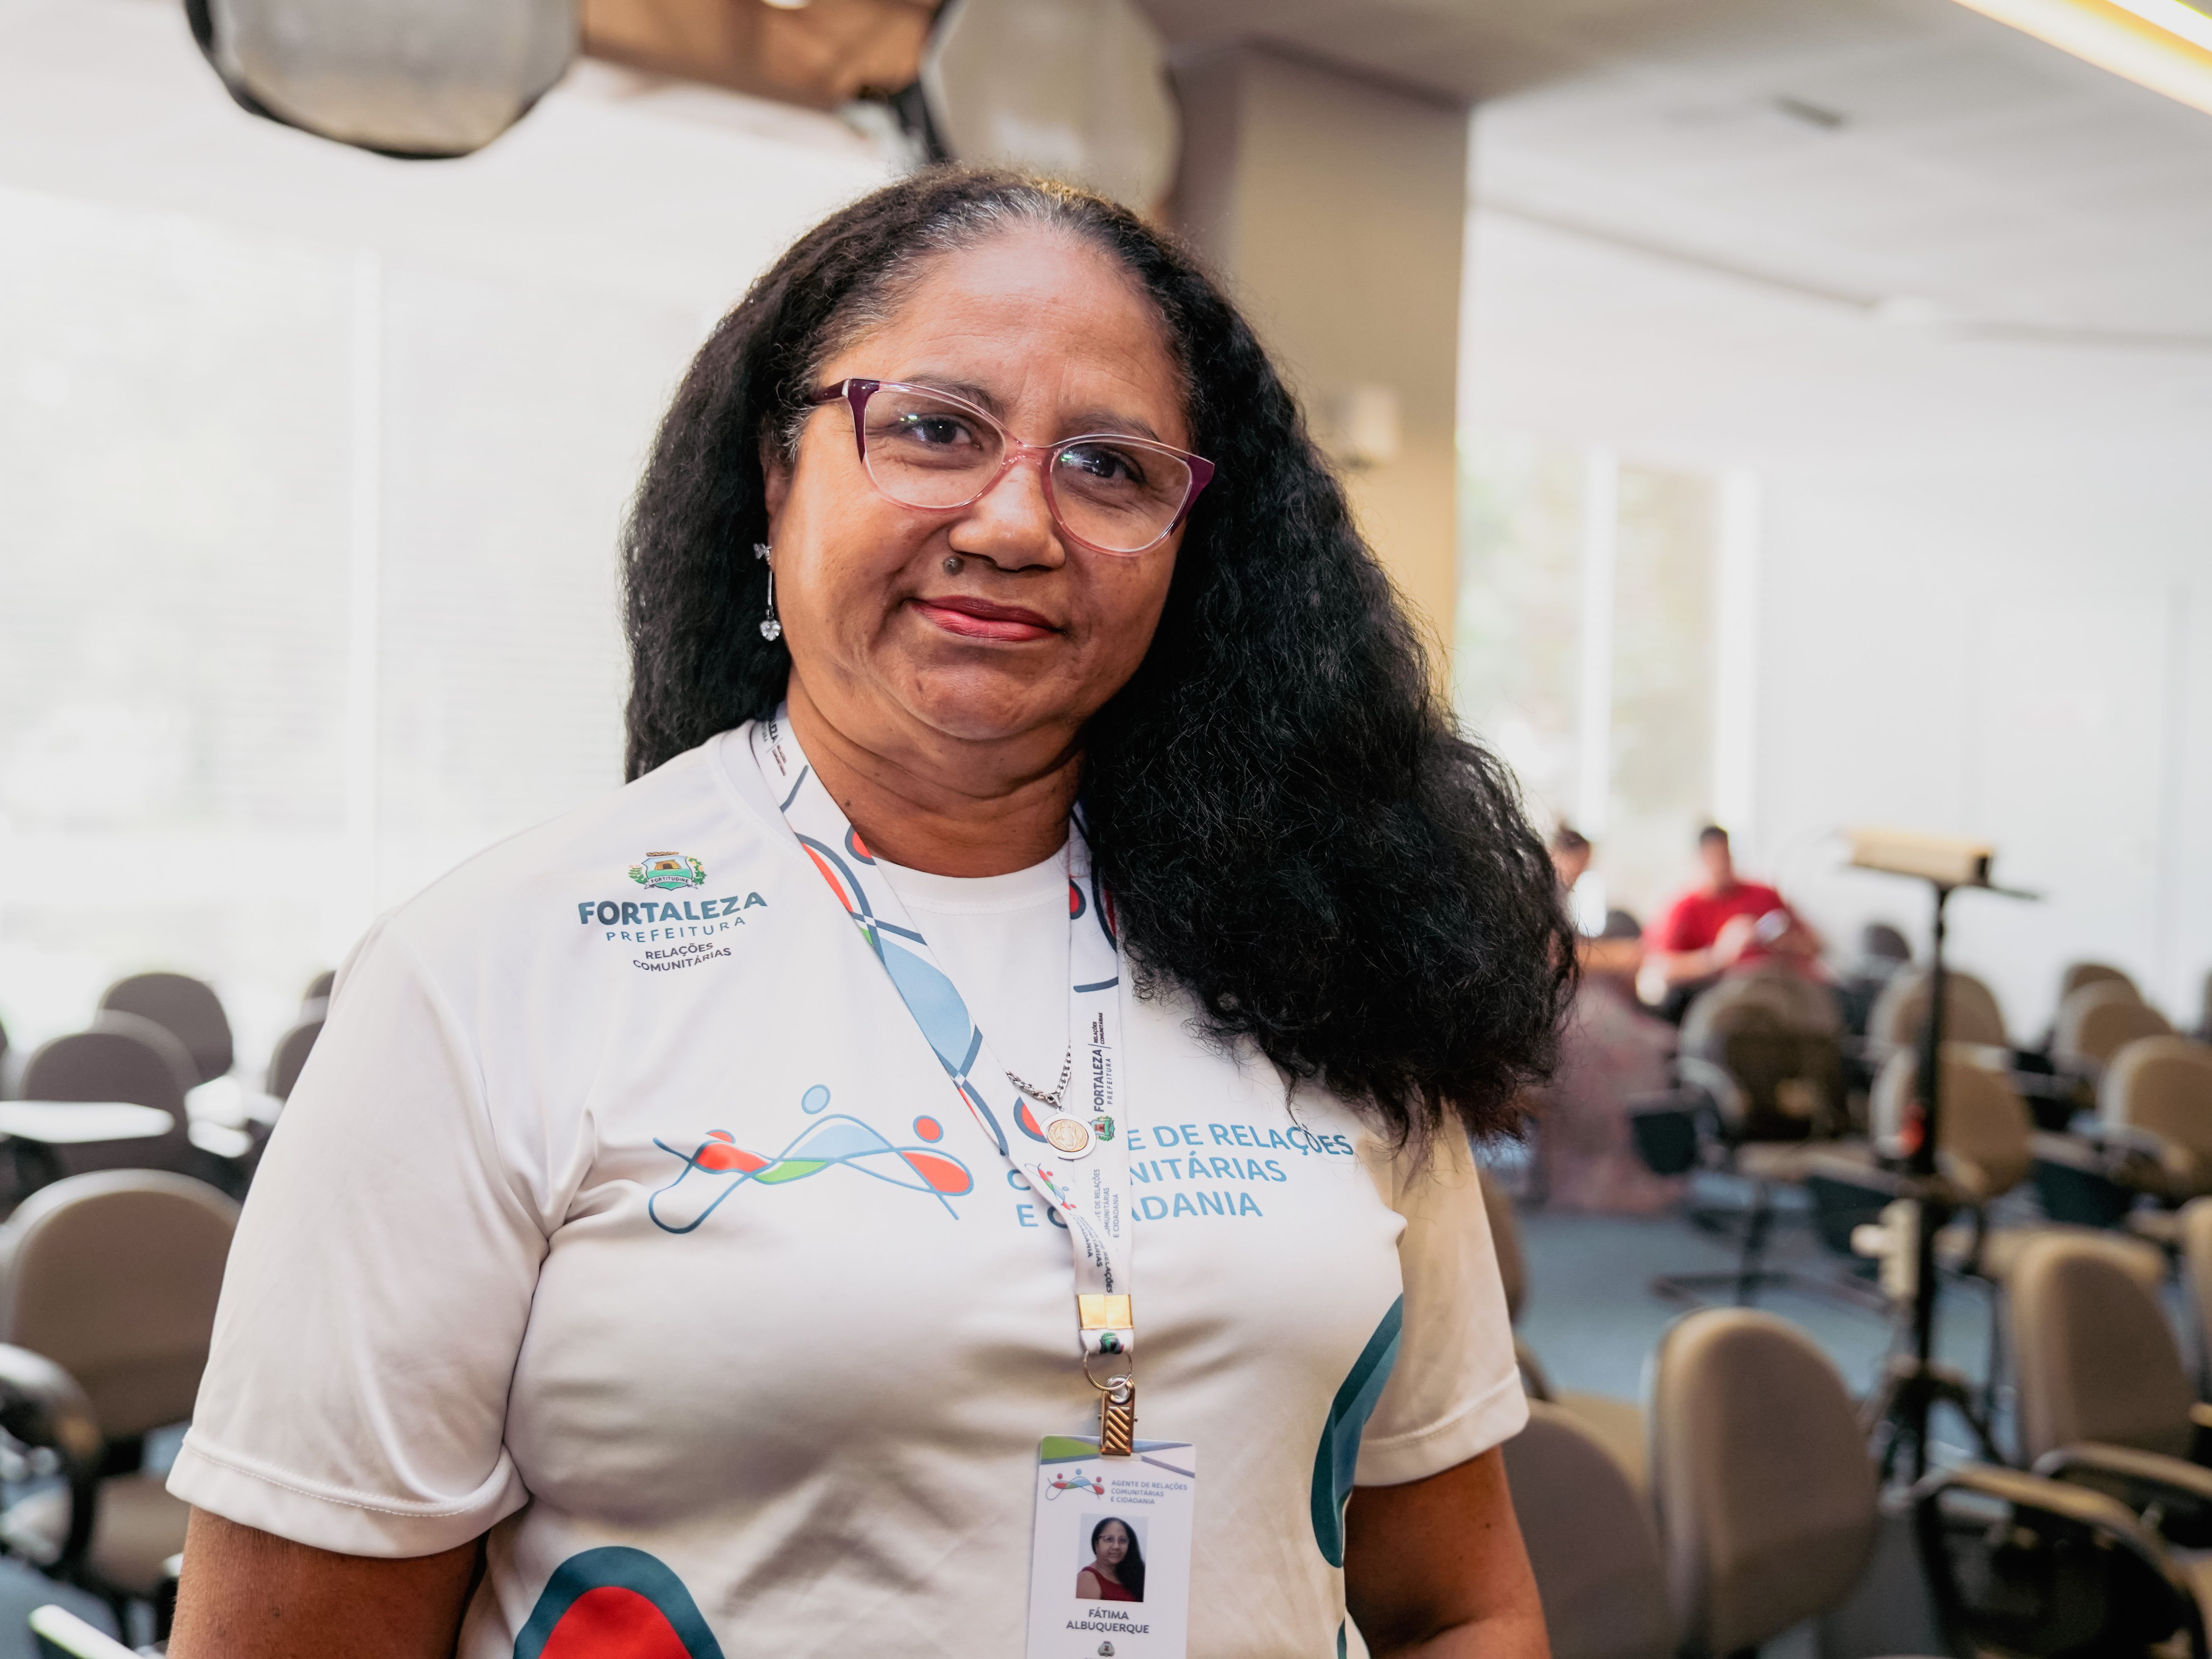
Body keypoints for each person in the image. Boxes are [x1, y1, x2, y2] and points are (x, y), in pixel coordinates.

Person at [164, 171, 1567, 1659]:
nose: (1016, 522)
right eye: (933, 430)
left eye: (1107, 466)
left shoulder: (1328, 949)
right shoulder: (489, 970)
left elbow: (1452, 1598)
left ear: (1188, 543)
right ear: (772, 475)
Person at [1645, 824, 1821, 1019]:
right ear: (1700, 859)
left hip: (1778, 988)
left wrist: (1785, 945)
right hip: (1723, 1000)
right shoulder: (1683, 908)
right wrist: (1719, 955)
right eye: (1714, 858)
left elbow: (1815, 946)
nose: (1721, 866)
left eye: (1726, 857)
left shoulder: (1765, 895)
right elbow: (1662, 969)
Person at [1078, 1517, 1145, 1602]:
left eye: (1123, 1541)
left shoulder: (1133, 1573)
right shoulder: (1087, 1579)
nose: (1116, 1546)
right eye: (1109, 1539)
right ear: (1096, 1544)